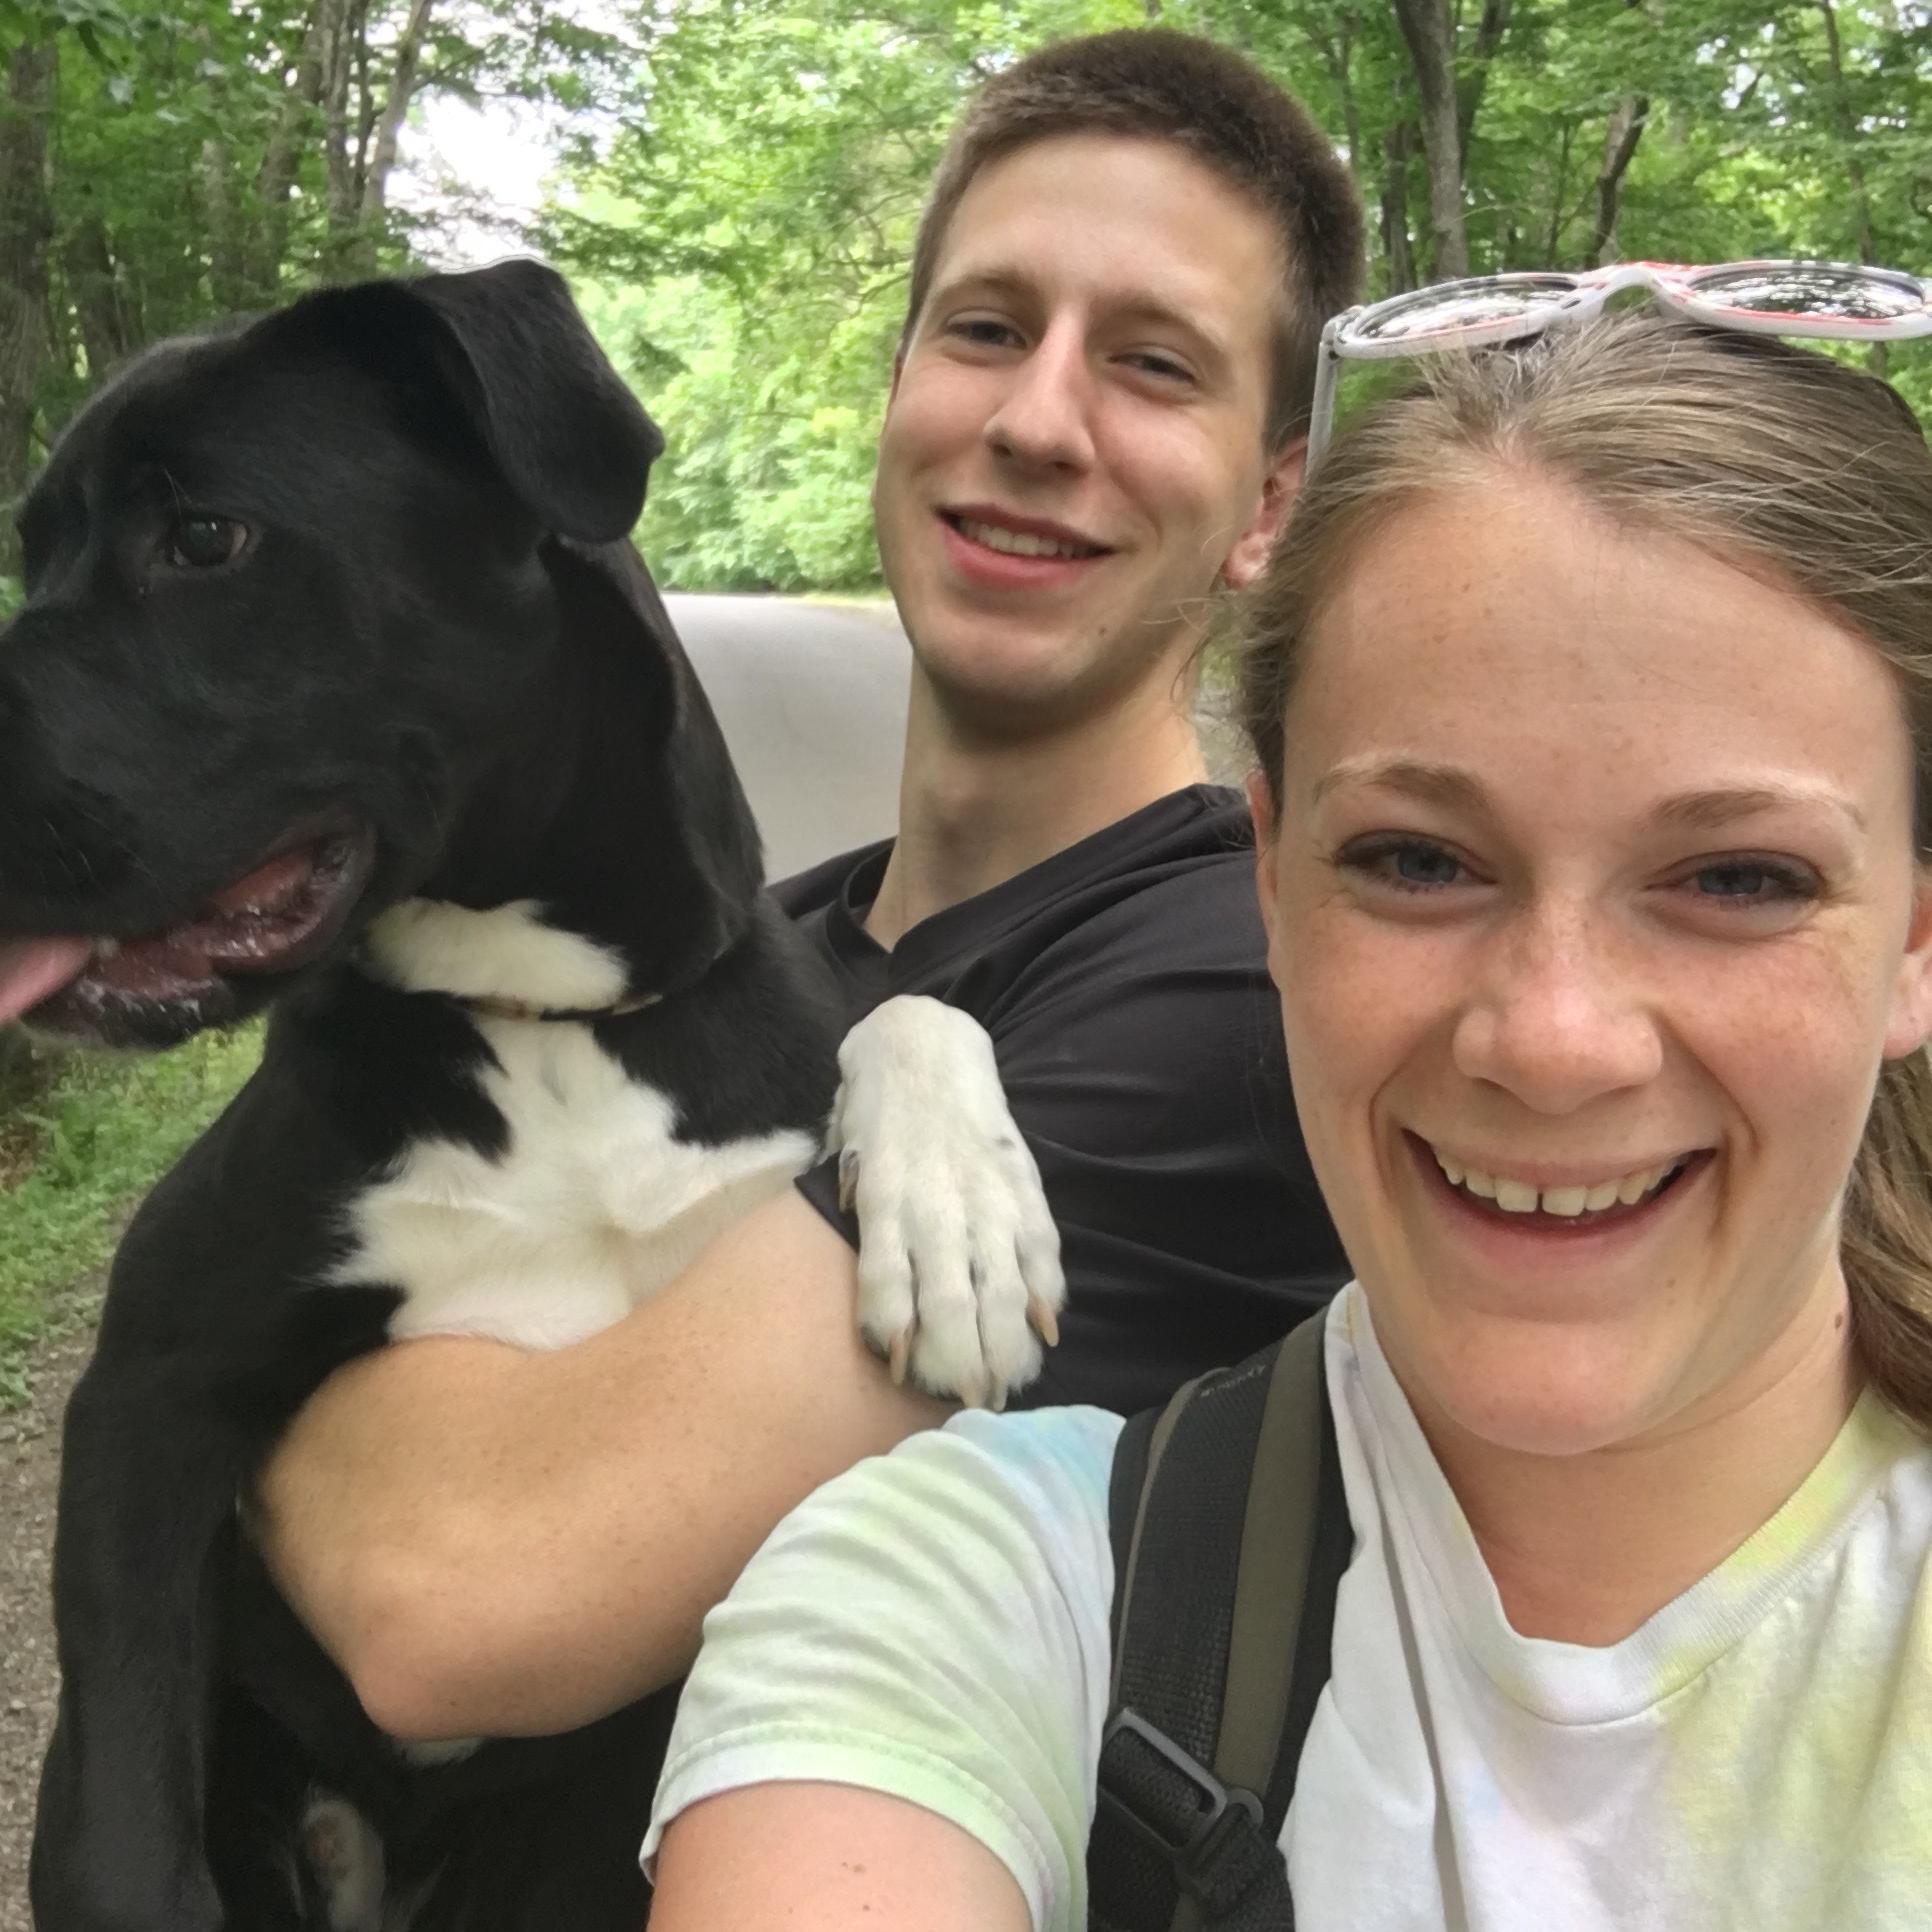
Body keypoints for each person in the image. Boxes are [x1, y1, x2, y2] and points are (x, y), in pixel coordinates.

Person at [640, 303, 1932, 1930]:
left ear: (1914, 941)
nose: (1552, 1041)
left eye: (1738, 879)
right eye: (1417, 860)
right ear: (1269, 877)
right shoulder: (976, 1588)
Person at [253, 27, 1360, 1745]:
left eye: (1153, 366)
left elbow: (452, 1585)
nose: (1036, 420)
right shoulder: (767, 949)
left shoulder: (1233, 995)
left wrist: (251, 1406)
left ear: (1269, 502)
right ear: (901, 387)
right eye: (986, 329)